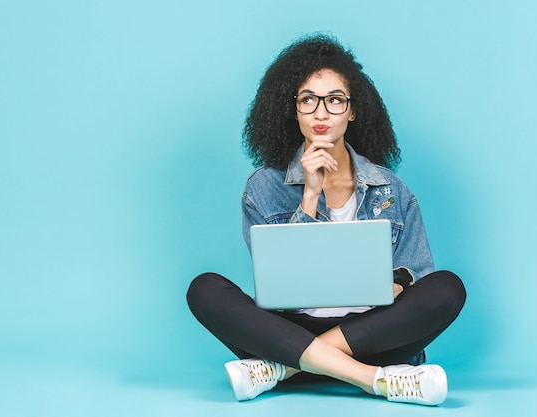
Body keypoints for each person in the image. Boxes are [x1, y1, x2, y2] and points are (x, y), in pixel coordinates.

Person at [186, 33, 466, 406]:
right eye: (308, 100)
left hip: (368, 332)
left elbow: (415, 272)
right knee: (204, 288)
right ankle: (373, 379)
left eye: (335, 100)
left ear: (352, 110)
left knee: (447, 286)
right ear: (294, 109)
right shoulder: (263, 187)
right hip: (289, 328)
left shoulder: (391, 187)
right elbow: (280, 284)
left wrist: (394, 285)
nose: (321, 113)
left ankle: (281, 369)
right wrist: (309, 195)